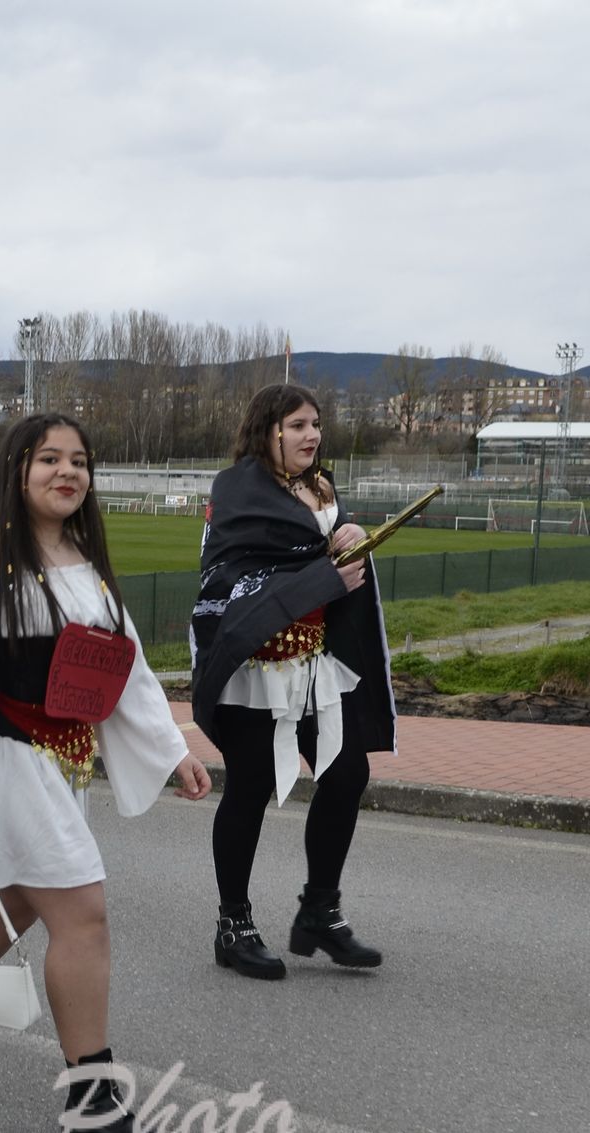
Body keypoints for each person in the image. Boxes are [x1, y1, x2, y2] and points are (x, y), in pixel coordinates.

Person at [0, 412, 212, 1133]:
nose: (67, 472)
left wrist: (172, 749)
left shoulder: (82, 559)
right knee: (84, 912)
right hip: (7, 764)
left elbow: (117, 668)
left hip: (64, 763)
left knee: (26, 902)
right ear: (17, 471)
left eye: (79, 461)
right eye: (49, 460)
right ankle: (92, 1098)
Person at [191, 383, 393, 982]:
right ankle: (234, 925)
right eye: (299, 425)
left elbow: (322, 546)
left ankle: (319, 912)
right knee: (250, 788)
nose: (312, 435)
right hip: (257, 668)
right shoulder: (238, 492)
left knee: (347, 772)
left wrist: (352, 532)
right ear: (269, 430)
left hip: (313, 663)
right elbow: (229, 577)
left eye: (316, 424)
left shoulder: (323, 488)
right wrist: (321, 572)